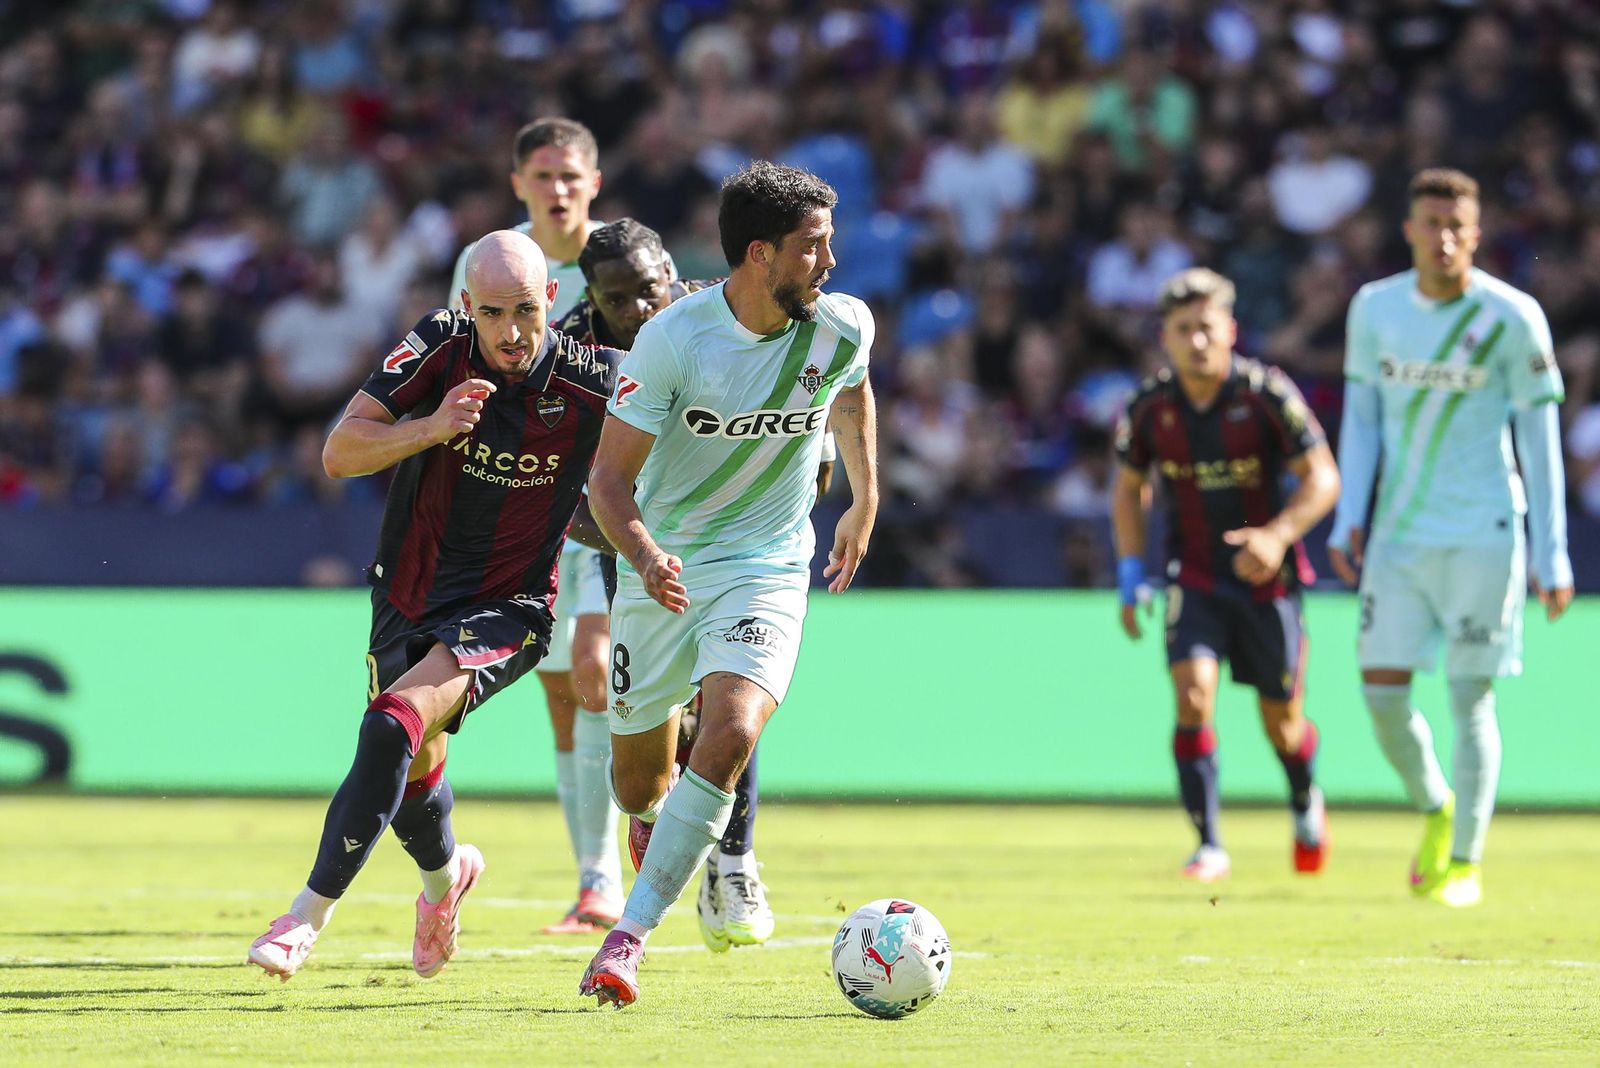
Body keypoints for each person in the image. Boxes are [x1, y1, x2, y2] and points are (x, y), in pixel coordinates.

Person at [247, 230, 621, 979]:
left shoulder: (594, 381)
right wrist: (431, 426)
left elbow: (676, 440)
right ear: (466, 308)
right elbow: (339, 451)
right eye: (493, 314)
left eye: (526, 310)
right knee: (414, 777)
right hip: (407, 590)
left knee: (391, 726)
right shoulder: (438, 346)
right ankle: (447, 884)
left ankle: (303, 917)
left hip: (508, 609)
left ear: (552, 299)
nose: (512, 333)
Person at [578, 162, 878, 1007]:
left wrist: (864, 500)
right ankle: (669, 834)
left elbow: (852, 395)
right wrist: (641, 557)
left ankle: (626, 940)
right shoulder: (674, 340)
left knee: (733, 726)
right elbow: (608, 483)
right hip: (663, 573)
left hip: (768, 566)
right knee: (638, 784)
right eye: (812, 246)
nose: (830, 261)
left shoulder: (842, 325)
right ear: (759, 254)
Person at [1328, 168, 1573, 908]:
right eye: (1429, 223)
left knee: (1470, 697)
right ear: (1408, 229)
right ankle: (1436, 804)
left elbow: (1540, 436)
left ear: (1476, 234)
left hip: (1483, 531)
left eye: (1455, 226)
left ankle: (1465, 861)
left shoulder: (1512, 316)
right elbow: (1363, 418)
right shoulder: (1375, 309)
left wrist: (1551, 549)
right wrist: (1349, 516)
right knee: (1380, 697)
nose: (1442, 238)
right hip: (1400, 535)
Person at [449, 117, 624, 935]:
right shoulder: (490, 259)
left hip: (607, 498)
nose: (557, 189)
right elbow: (465, 363)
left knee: (595, 671)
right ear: (518, 182)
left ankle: (628, 865)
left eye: (570, 175)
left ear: (594, 182)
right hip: (532, 501)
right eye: (542, 175)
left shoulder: (622, 259)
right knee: (564, 695)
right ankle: (597, 880)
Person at [1111, 267, 1340, 883]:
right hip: (1196, 578)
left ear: (1230, 330)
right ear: (1166, 336)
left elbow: (1323, 476)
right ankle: (1209, 843)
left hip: (1270, 584)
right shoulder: (1150, 407)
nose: (1197, 341)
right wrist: (1132, 567)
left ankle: (1302, 801)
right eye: (1183, 330)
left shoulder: (1267, 395)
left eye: (1207, 327)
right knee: (1192, 699)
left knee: (1284, 726)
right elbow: (1129, 488)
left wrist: (1277, 535)